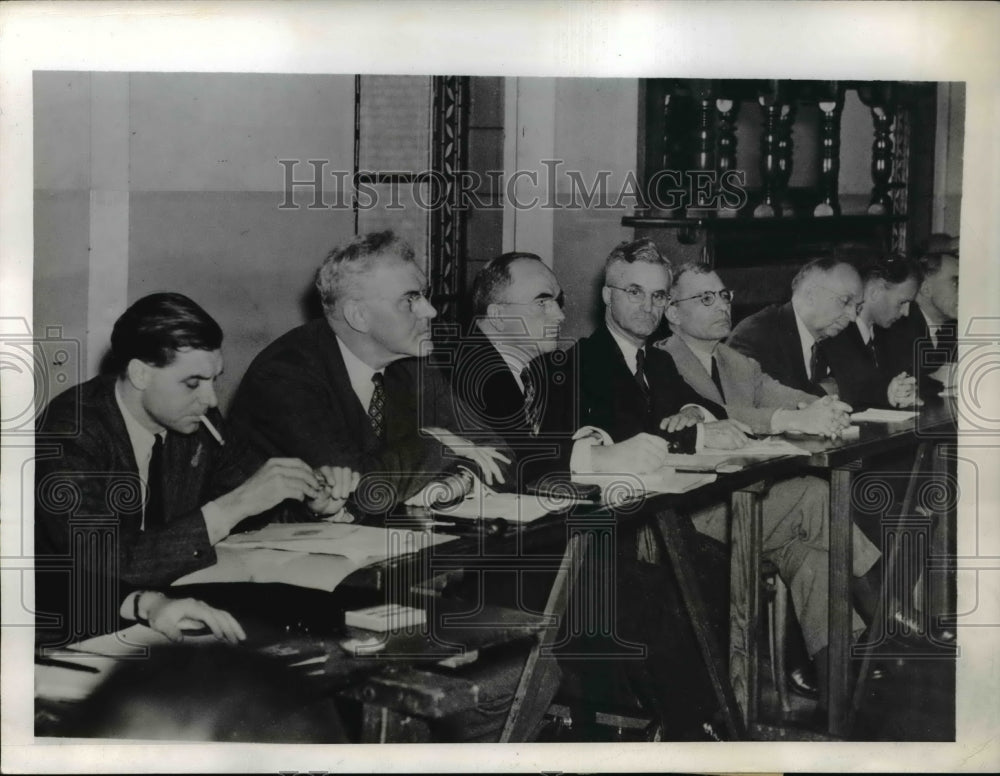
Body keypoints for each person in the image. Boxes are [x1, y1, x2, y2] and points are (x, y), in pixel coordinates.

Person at [34, 293, 356, 648]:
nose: (211, 399)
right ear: (140, 373)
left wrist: (311, 501)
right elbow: (104, 558)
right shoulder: (70, 431)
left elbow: (250, 497)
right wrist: (236, 504)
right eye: (193, 383)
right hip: (78, 624)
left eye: (214, 380)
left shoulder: (197, 421)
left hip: (169, 607)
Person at [659, 262, 884, 702]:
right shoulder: (663, 359)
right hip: (699, 513)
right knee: (818, 494)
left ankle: (840, 697)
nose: (721, 305)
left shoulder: (736, 362)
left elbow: (787, 396)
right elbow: (727, 418)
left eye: (723, 295)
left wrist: (826, 407)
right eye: (704, 299)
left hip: (755, 507)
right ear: (672, 312)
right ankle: (891, 628)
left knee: (817, 561)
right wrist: (788, 417)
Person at [229, 231, 511, 510]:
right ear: (359, 316)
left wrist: (451, 485)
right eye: (410, 300)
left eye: (424, 296)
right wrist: (436, 441)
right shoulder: (285, 376)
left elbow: (502, 456)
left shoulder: (412, 363)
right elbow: (359, 492)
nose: (430, 311)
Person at [728, 256, 864, 396]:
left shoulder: (837, 335)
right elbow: (751, 402)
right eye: (845, 301)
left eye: (858, 307)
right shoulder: (755, 336)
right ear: (811, 294)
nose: (853, 316)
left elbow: (858, 387)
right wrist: (821, 392)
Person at [822, 256, 923, 409]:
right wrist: (887, 392)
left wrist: (905, 391)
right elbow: (847, 390)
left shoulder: (889, 334)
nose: (906, 312)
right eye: (902, 302)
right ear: (874, 292)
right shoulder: (835, 334)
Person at [880, 235, 960, 398]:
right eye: (955, 282)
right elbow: (904, 380)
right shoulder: (896, 328)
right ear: (925, 289)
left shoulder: (953, 328)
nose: (964, 290)